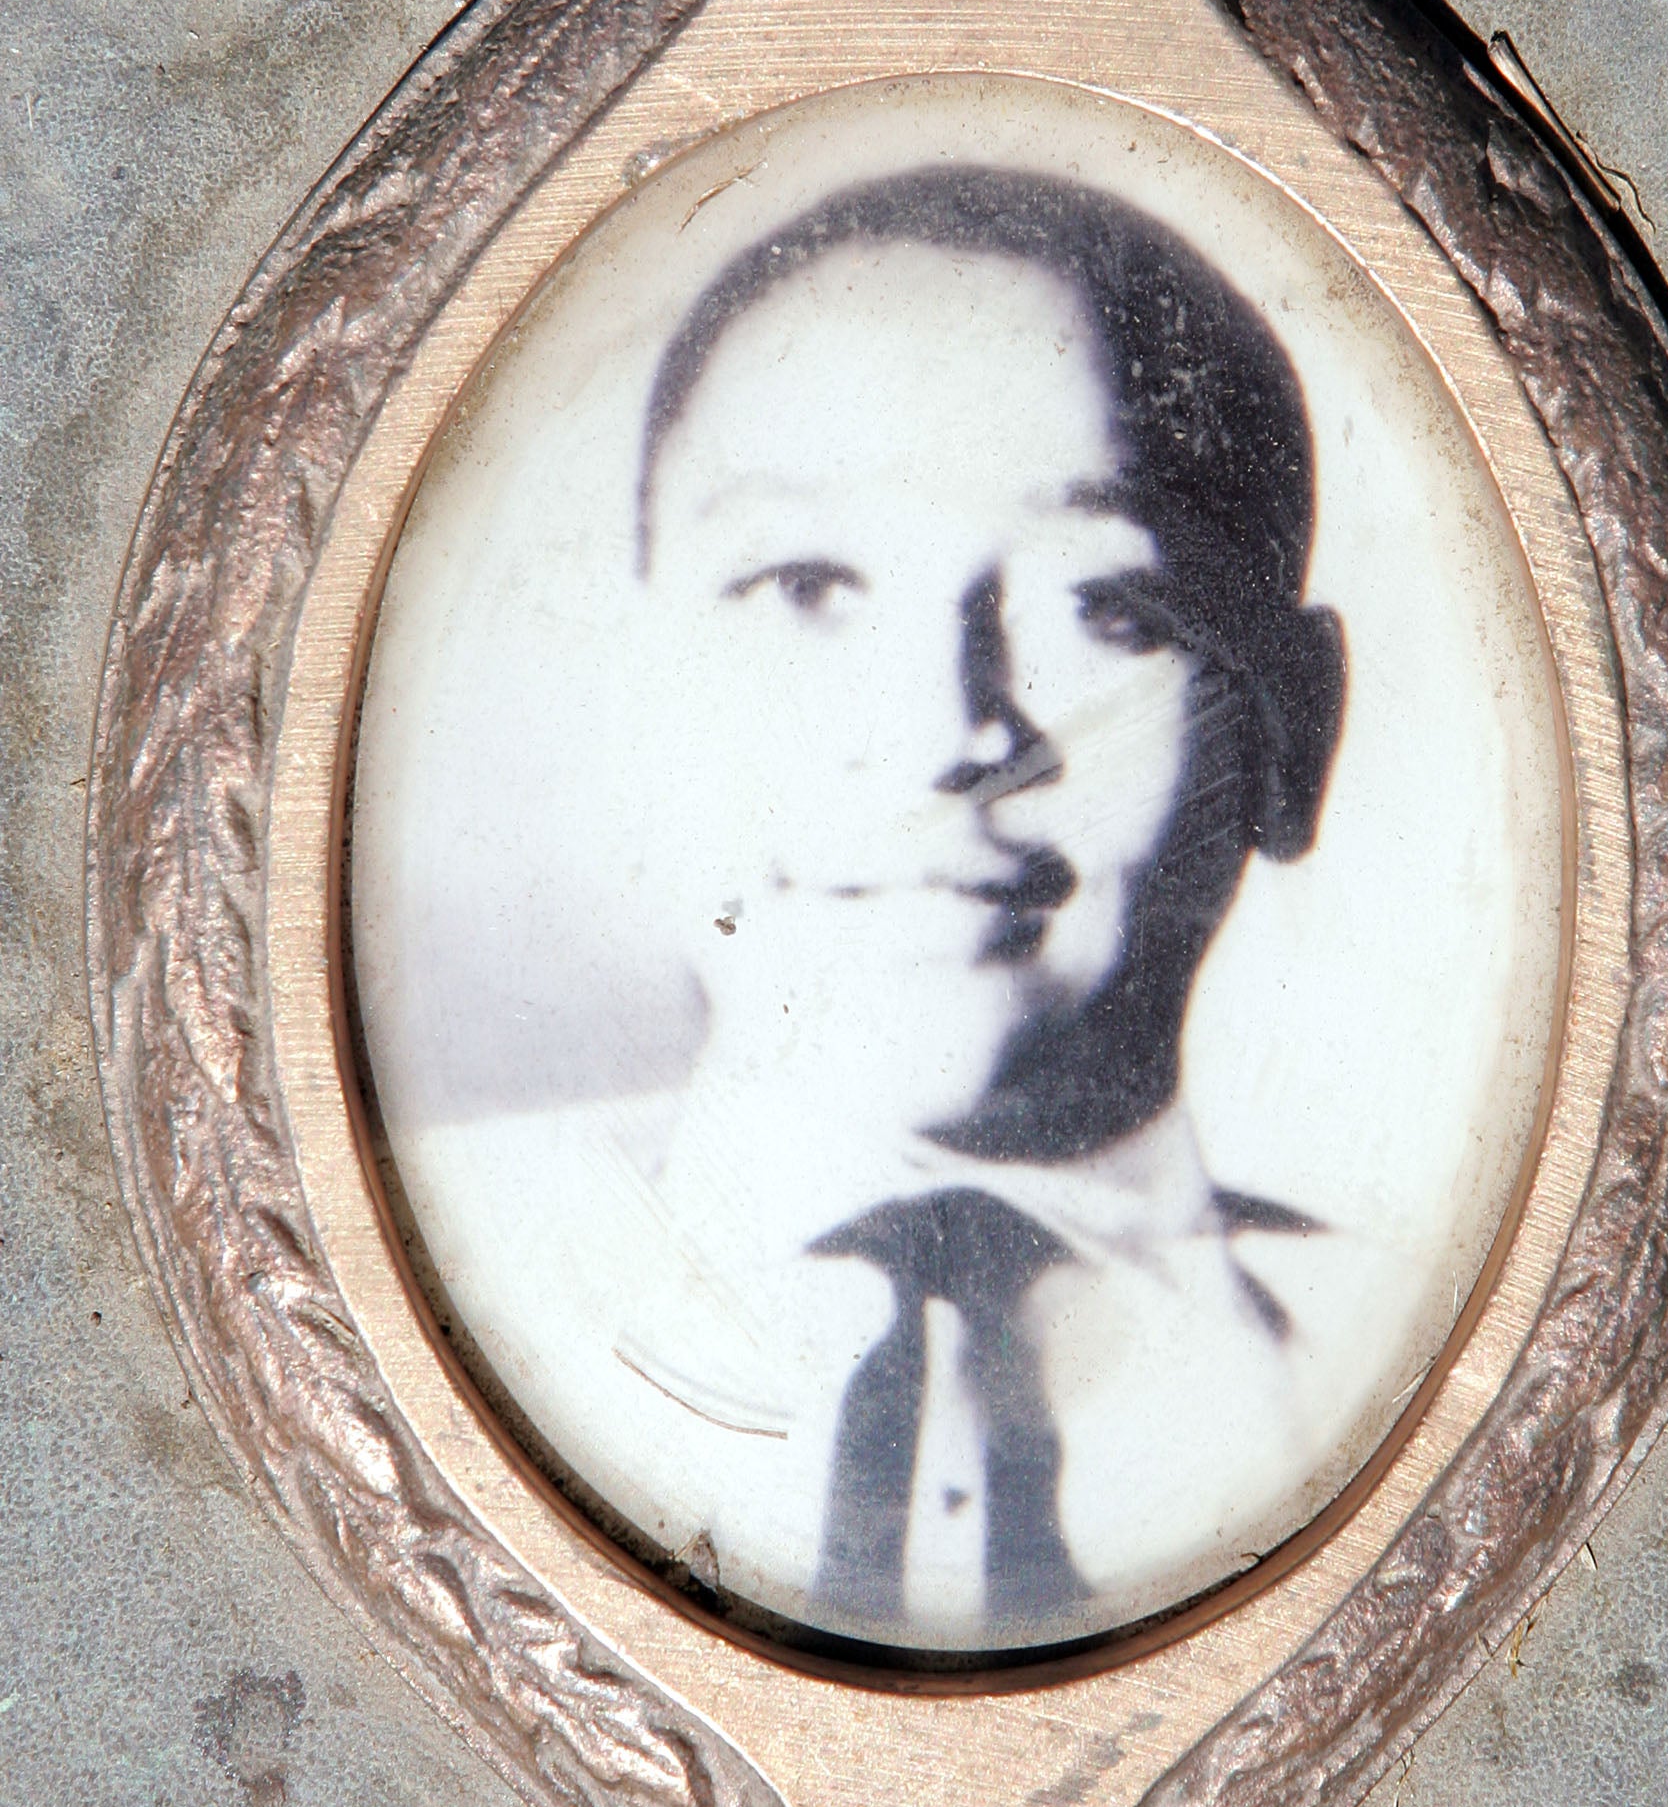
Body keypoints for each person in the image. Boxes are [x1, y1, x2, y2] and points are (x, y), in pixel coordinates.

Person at [405, 165, 1398, 1658]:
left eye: (1106, 606)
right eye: (807, 584)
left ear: (1292, 737)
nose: (950, 729)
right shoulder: (432, 1278)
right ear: (633, 697)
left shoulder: (1405, 1374)